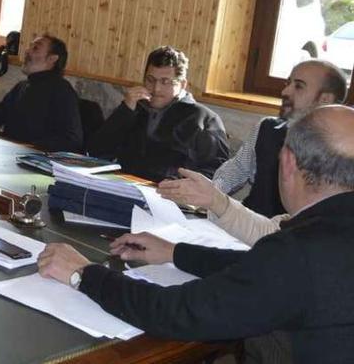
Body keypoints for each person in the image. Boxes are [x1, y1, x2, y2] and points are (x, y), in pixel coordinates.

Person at [38, 104, 354, 363]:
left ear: (287, 162)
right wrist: (176, 253)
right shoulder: (323, 235)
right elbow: (259, 268)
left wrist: (84, 273)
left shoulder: (300, 251)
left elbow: (178, 312)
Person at [158, 60, 349, 244]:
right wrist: (206, 193)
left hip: (287, 246)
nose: (285, 91)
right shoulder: (266, 127)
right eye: (287, 83)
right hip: (241, 232)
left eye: (298, 86)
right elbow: (235, 170)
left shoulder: (342, 153)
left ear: (325, 99)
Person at [88, 46, 230, 182]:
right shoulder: (135, 107)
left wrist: (180, 183)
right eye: (150, 80)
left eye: (165, 81)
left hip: (171, 196)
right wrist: (125, 110)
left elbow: (217, 173)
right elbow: (97, 150)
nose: (156, 88)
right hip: (124, 187)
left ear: (182, 84)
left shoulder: (203, 119)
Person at [0, 35, 84, 152]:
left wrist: (30, 148)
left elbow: (72, 139)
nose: (27, 51)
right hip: (10, 155)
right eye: (30, 46)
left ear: (52, 59)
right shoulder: (23, 87)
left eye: (35, 48)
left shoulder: (62, 91)